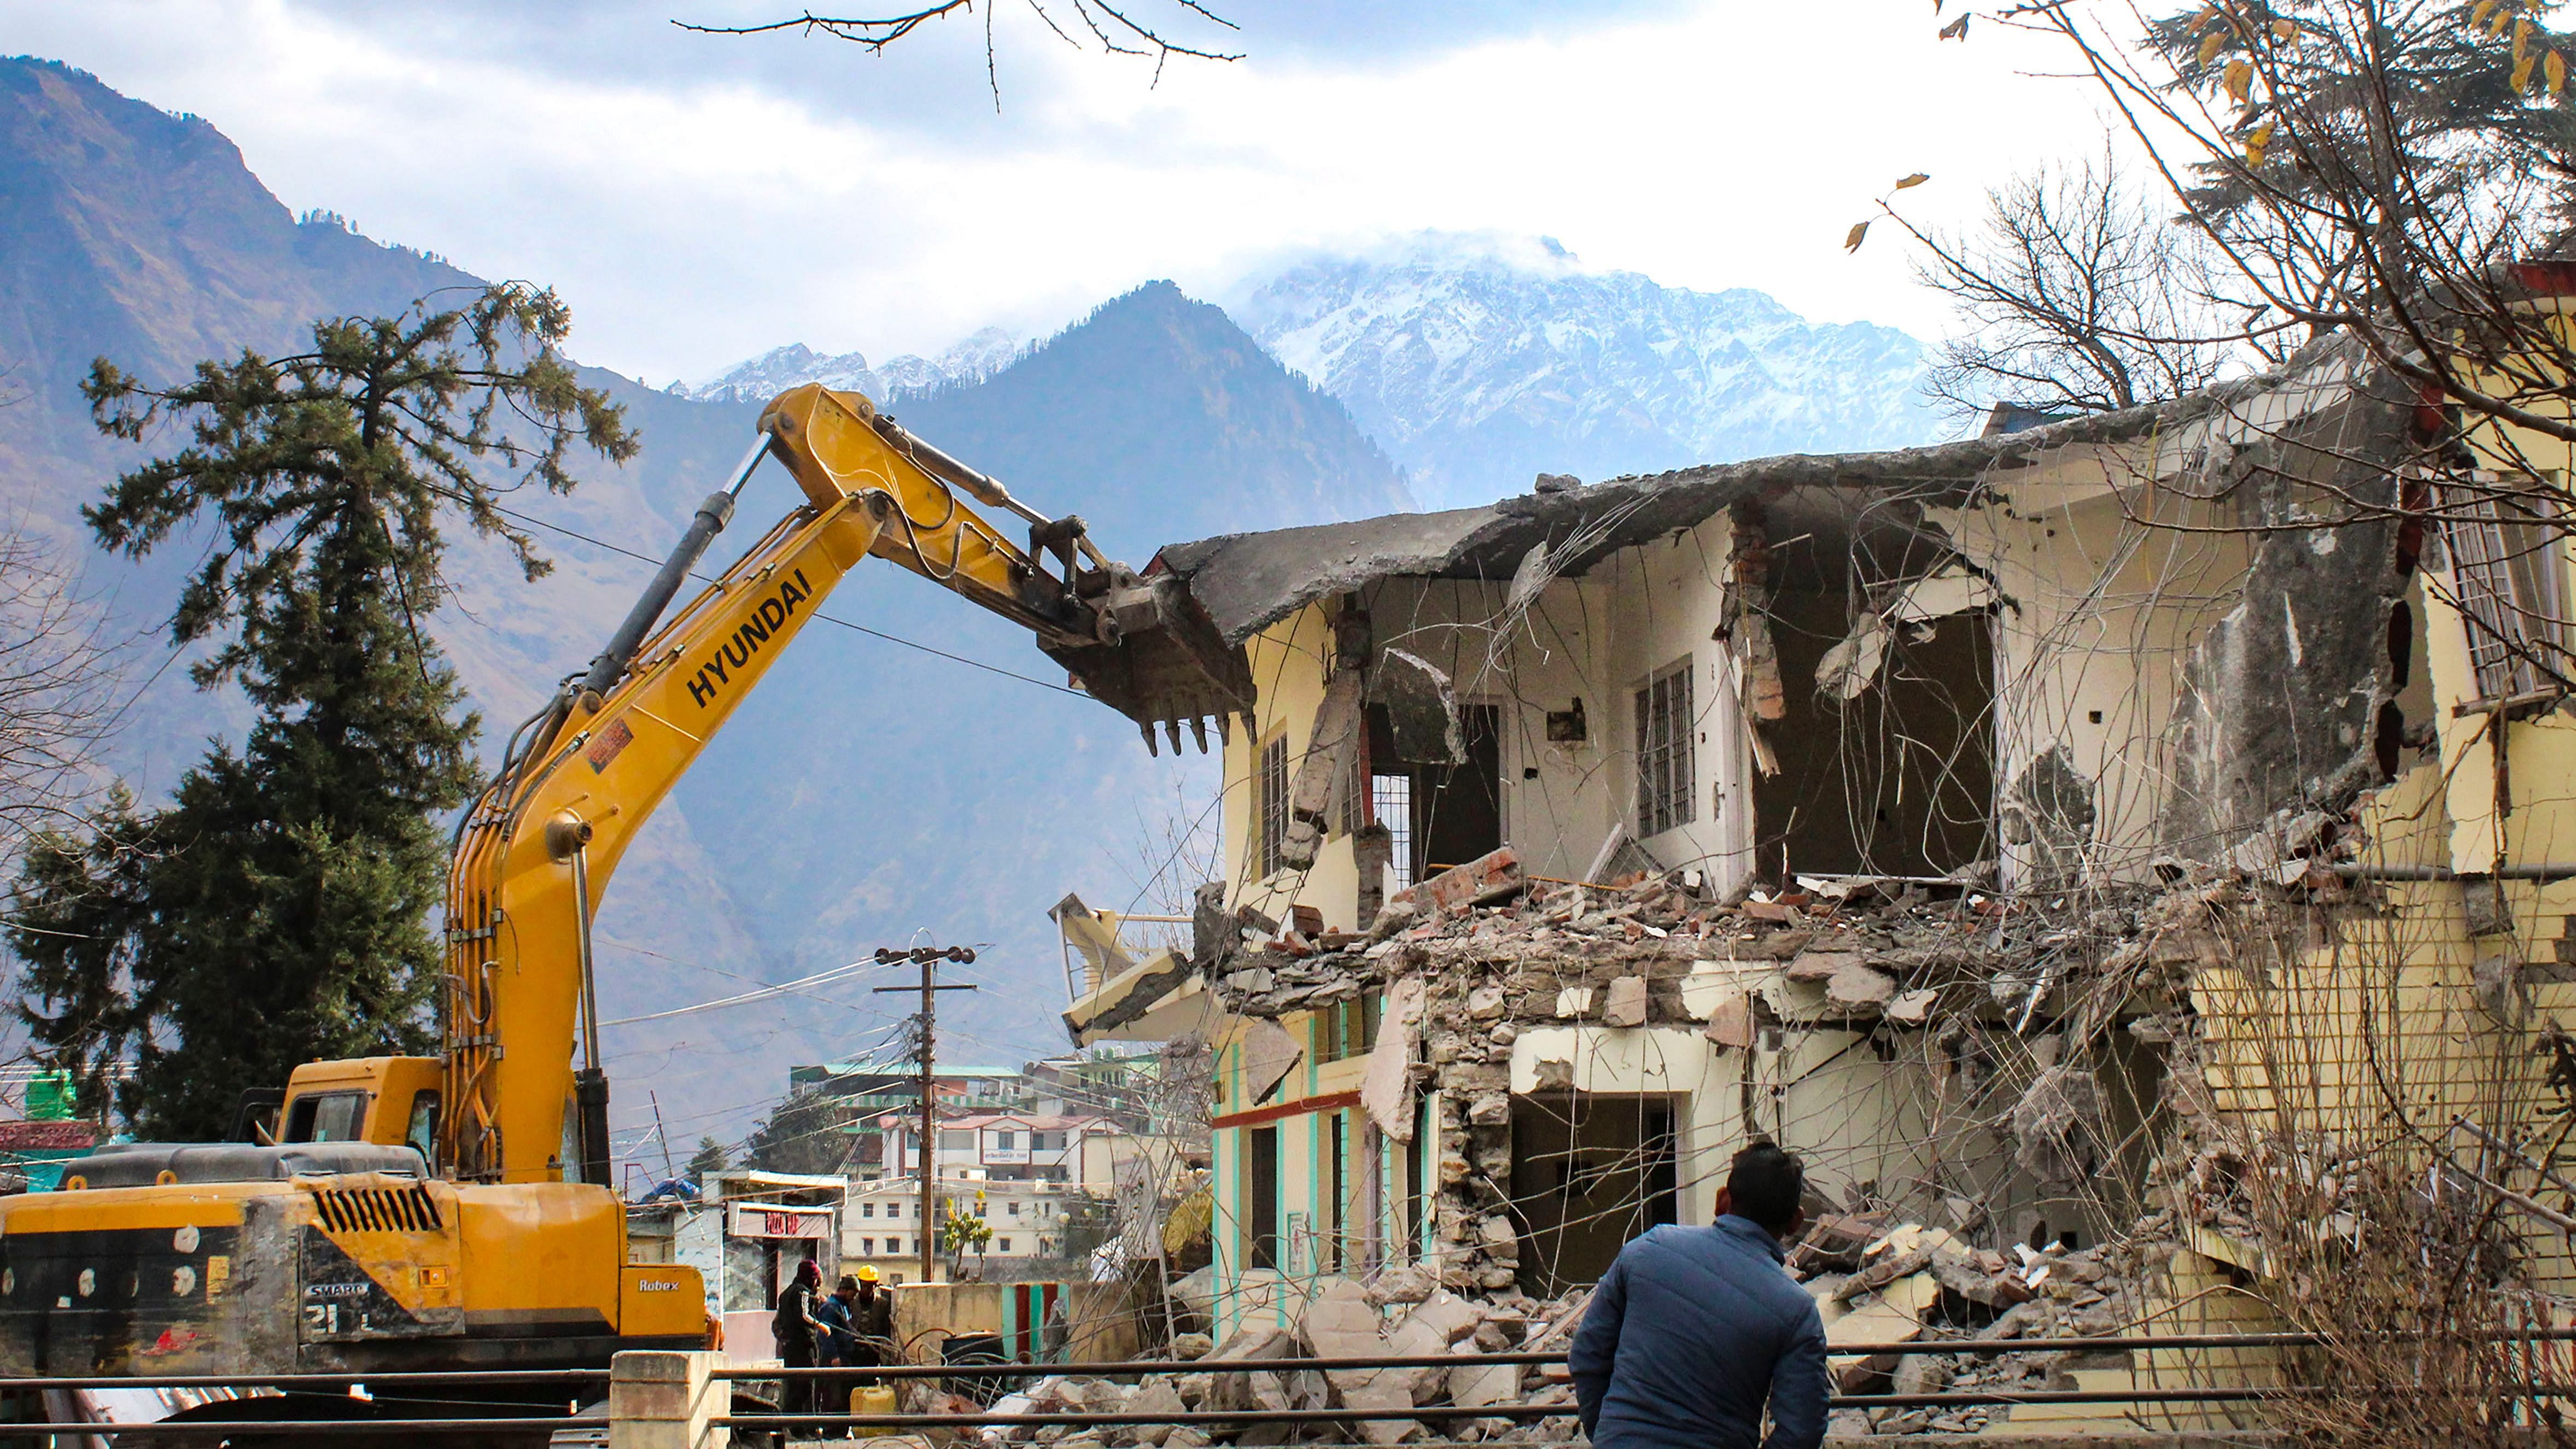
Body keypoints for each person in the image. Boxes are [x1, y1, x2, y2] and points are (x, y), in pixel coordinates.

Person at [1569, 1142, 1830, 1449]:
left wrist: (1610, 1433)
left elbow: (1587, 1355)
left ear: (1723, 1200)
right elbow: (1803, 1431)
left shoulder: (1648, 1250)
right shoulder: (1796, 1311)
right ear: (1795, 1222)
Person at [771, 1258, 826, 1428]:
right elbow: (803, 1315)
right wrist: (821, 1326)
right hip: (804, 1346)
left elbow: (780, 1322)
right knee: (804, 1388)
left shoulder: (786, 1293)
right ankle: (794, 1425)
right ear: (812, 1278)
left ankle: (794, 1425)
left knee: (795, 1386)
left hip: (790, 1347)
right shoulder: (802, 1292)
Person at [848, 1265, 897, 1370]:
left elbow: (885, 1331)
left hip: (873, 1352)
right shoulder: (851, 1303)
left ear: (875, 1286)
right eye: (864, 1286)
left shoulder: (882, 1304)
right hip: (854, 1351)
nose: (866, 1290)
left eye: (870, 1286)